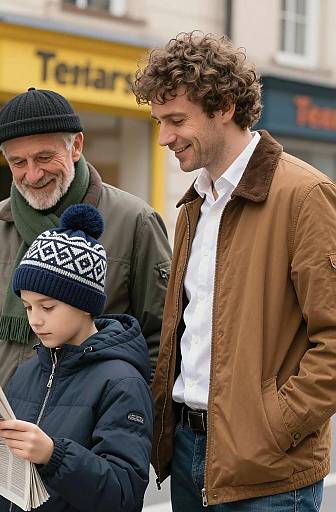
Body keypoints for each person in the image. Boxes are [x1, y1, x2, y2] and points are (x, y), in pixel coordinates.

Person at [0, 88, 171, 510]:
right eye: (17, 163)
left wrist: (126, 424)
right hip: (0, 457)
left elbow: (161, 340)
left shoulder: (134, 221)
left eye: (44, 158)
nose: (31, 174)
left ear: (76, 145)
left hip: (81, 456)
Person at [132, 31, 336, 511]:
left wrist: (275, 424)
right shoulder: (193, 206)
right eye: (159, 121)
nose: (164, 137)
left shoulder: (305, 195)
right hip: (187, 450)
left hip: (268, 468)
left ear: (223, 105)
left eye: (176, 120)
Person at [0, 203, 152, 511]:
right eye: (27, 307)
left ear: (85, 304)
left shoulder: (123, 382)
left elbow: (123, 494)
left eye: (47, 307)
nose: (35, 320)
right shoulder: (27, 371)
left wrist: (53, 455)